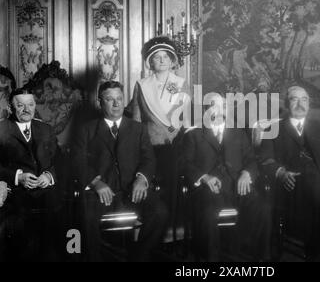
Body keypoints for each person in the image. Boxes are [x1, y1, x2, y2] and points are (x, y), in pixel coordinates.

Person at [259, 86, 320, 261]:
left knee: (313, 182)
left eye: (304, 99)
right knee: (308, 174)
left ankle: (315, 255)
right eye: (294, 99)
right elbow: (265, 160)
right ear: (286, 103)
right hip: (288, 188)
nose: (300, 104)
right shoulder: (272, 129)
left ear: (309, 103)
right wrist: (281, 173)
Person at [72, 81, 169, 262]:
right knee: (85, 216)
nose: (116, 104)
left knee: (160, 212)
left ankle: (139, 255)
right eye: (110, 99)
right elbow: (77, 161)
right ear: (100, 102)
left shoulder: (138, 129)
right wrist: (96, 182)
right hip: (101, 193)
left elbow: (149, 159)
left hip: (132, 191)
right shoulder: (86, 129)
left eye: (119, 99)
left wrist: (142, 179)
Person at [183, 94, 271, 261]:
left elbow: (251, 160)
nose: (218, 110)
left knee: (263, 209)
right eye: (213, 106)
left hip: (238, 186)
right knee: (208, 214)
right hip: (209, 189)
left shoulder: (238, 132)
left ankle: (263, 260)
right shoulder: (194, 134)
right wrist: (204, 177)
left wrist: (247, 173)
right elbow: (185, 164)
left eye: (222, 106)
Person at [127, 36, 188, 223]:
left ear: (172, 60)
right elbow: (136, 119)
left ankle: (173, 222)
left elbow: (187, 118)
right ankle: (152, 221)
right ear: (150, 61)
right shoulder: (142, 85)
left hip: (174, 145)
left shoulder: (181, 83)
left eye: (165, 57)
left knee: (174, 184)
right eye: (157, 57)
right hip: (149, 145)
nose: (161, 60)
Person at [0, 88, 58, 261]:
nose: (26, 109)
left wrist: (48, 175)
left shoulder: (46, 129)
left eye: (30, 104)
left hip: (46, 195)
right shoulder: (1, 129)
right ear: (11, 108)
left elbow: (60, 160)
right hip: (15, 197)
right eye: (20, 105)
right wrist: (18, 177)